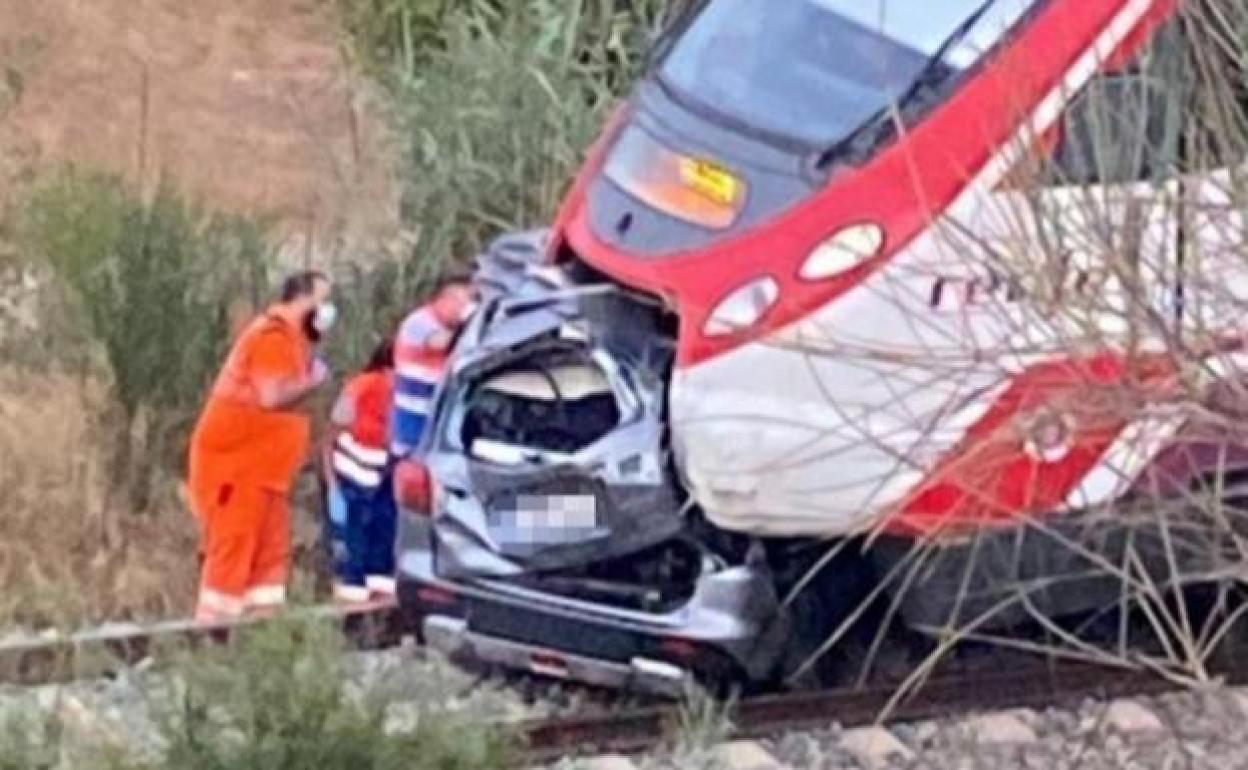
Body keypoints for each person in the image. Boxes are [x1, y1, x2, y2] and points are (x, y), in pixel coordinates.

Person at [186, 270, 336, 622]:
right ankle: (213, 639)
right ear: (301, 299)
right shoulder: (273, 335)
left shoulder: (295, 342)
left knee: (269, 560)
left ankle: (261, 635)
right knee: (232, 552)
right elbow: (272, 396)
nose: (327, 310)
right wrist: (313, 381)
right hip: (238, 469)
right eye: (322, 300)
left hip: (267, 472)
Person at [324, 336, 397, 604]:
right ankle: (351, 591)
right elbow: (332, 433)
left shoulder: (401, 394)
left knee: (382, 535)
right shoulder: (362, 387)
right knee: (352, 541)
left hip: (380, 477)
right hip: (352, 476)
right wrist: (332, 483)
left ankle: (379, 590)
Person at [391, 272, 478, 457]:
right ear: (446, 298)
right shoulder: (420, 322)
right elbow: (441, 343)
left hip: (436, 424)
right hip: (413, 425)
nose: (467, 306)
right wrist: (471, 322)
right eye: (465, 299)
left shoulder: (453, 329)